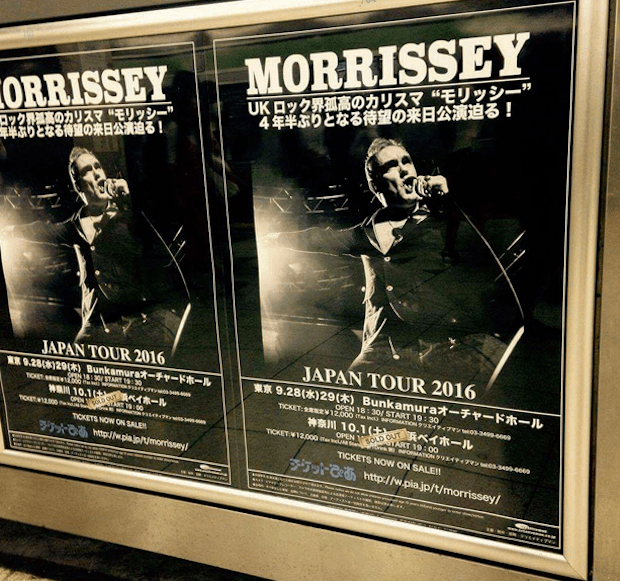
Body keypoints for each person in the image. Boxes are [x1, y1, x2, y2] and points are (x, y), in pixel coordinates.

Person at [269, 138, 514, 386]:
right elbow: (318, 238)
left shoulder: (442, 222)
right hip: (383, 346)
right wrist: (272, 238)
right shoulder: (366, 233)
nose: (404, 170)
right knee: (352, 394)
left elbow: (483, 250)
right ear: (376, 184)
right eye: (392, 166)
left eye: (407, 162)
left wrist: (449, 197)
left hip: (450, 341)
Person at [5, 147, 190, 350]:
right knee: (77, 361)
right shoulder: (75, 225)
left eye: (98, 167)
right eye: (87, 170)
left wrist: (129, 200)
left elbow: (159, 242)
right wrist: (8, 229)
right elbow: (42, 230)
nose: (97, 174)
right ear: (78, 185)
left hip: (139, 318)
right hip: (96, 323)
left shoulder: (128, 215)